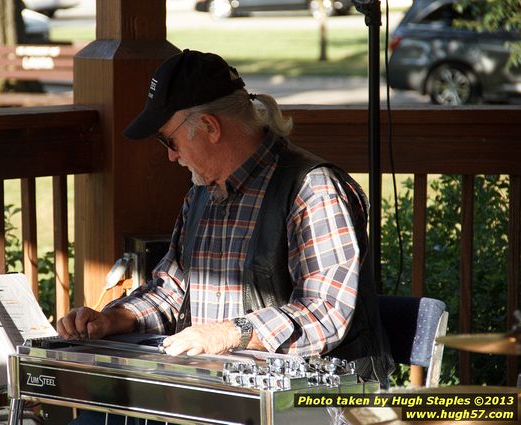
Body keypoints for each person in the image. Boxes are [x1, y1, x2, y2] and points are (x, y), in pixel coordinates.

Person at [57, 50, 394, 393]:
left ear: (209, 126)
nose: (170, 155)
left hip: (315, 401)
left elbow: (325, 313)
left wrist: (232, 333)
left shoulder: (312, 189)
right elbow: (171, 292)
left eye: (168, 140)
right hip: (221, 397)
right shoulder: (201, 193)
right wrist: (114, 319)